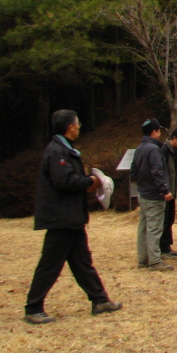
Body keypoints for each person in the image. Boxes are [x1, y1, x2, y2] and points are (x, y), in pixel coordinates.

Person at [23, 109, 122, 324]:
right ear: (70, 127)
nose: (79, 127)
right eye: (77, 124)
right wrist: (90, 182)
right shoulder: (57, 152)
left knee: (82, 262)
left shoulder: (65, 150)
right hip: (61, 218)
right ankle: (33, 308)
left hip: (71, 218)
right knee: (50, 264)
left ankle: (100, 300)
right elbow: (64, 181)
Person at [131, 118, 174, 272]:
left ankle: (143, 259)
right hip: (155, 196)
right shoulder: (154, 149)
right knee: (154, 229)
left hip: (143, 194)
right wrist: (165, 190)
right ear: (154, 132)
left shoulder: (139, 148)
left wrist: (143, 184)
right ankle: (155, 261)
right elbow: (158, 172)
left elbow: (133, 172)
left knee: (143, 228)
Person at [159, 126, 177, 258]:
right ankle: (162, 248)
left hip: (172, 193)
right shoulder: (164, 151)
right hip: (165, 193)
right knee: (164, 221)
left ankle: (167, 246)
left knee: (170, 219)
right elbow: (161, 173)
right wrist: (165, 190)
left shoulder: (175, 152)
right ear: (174, 138)